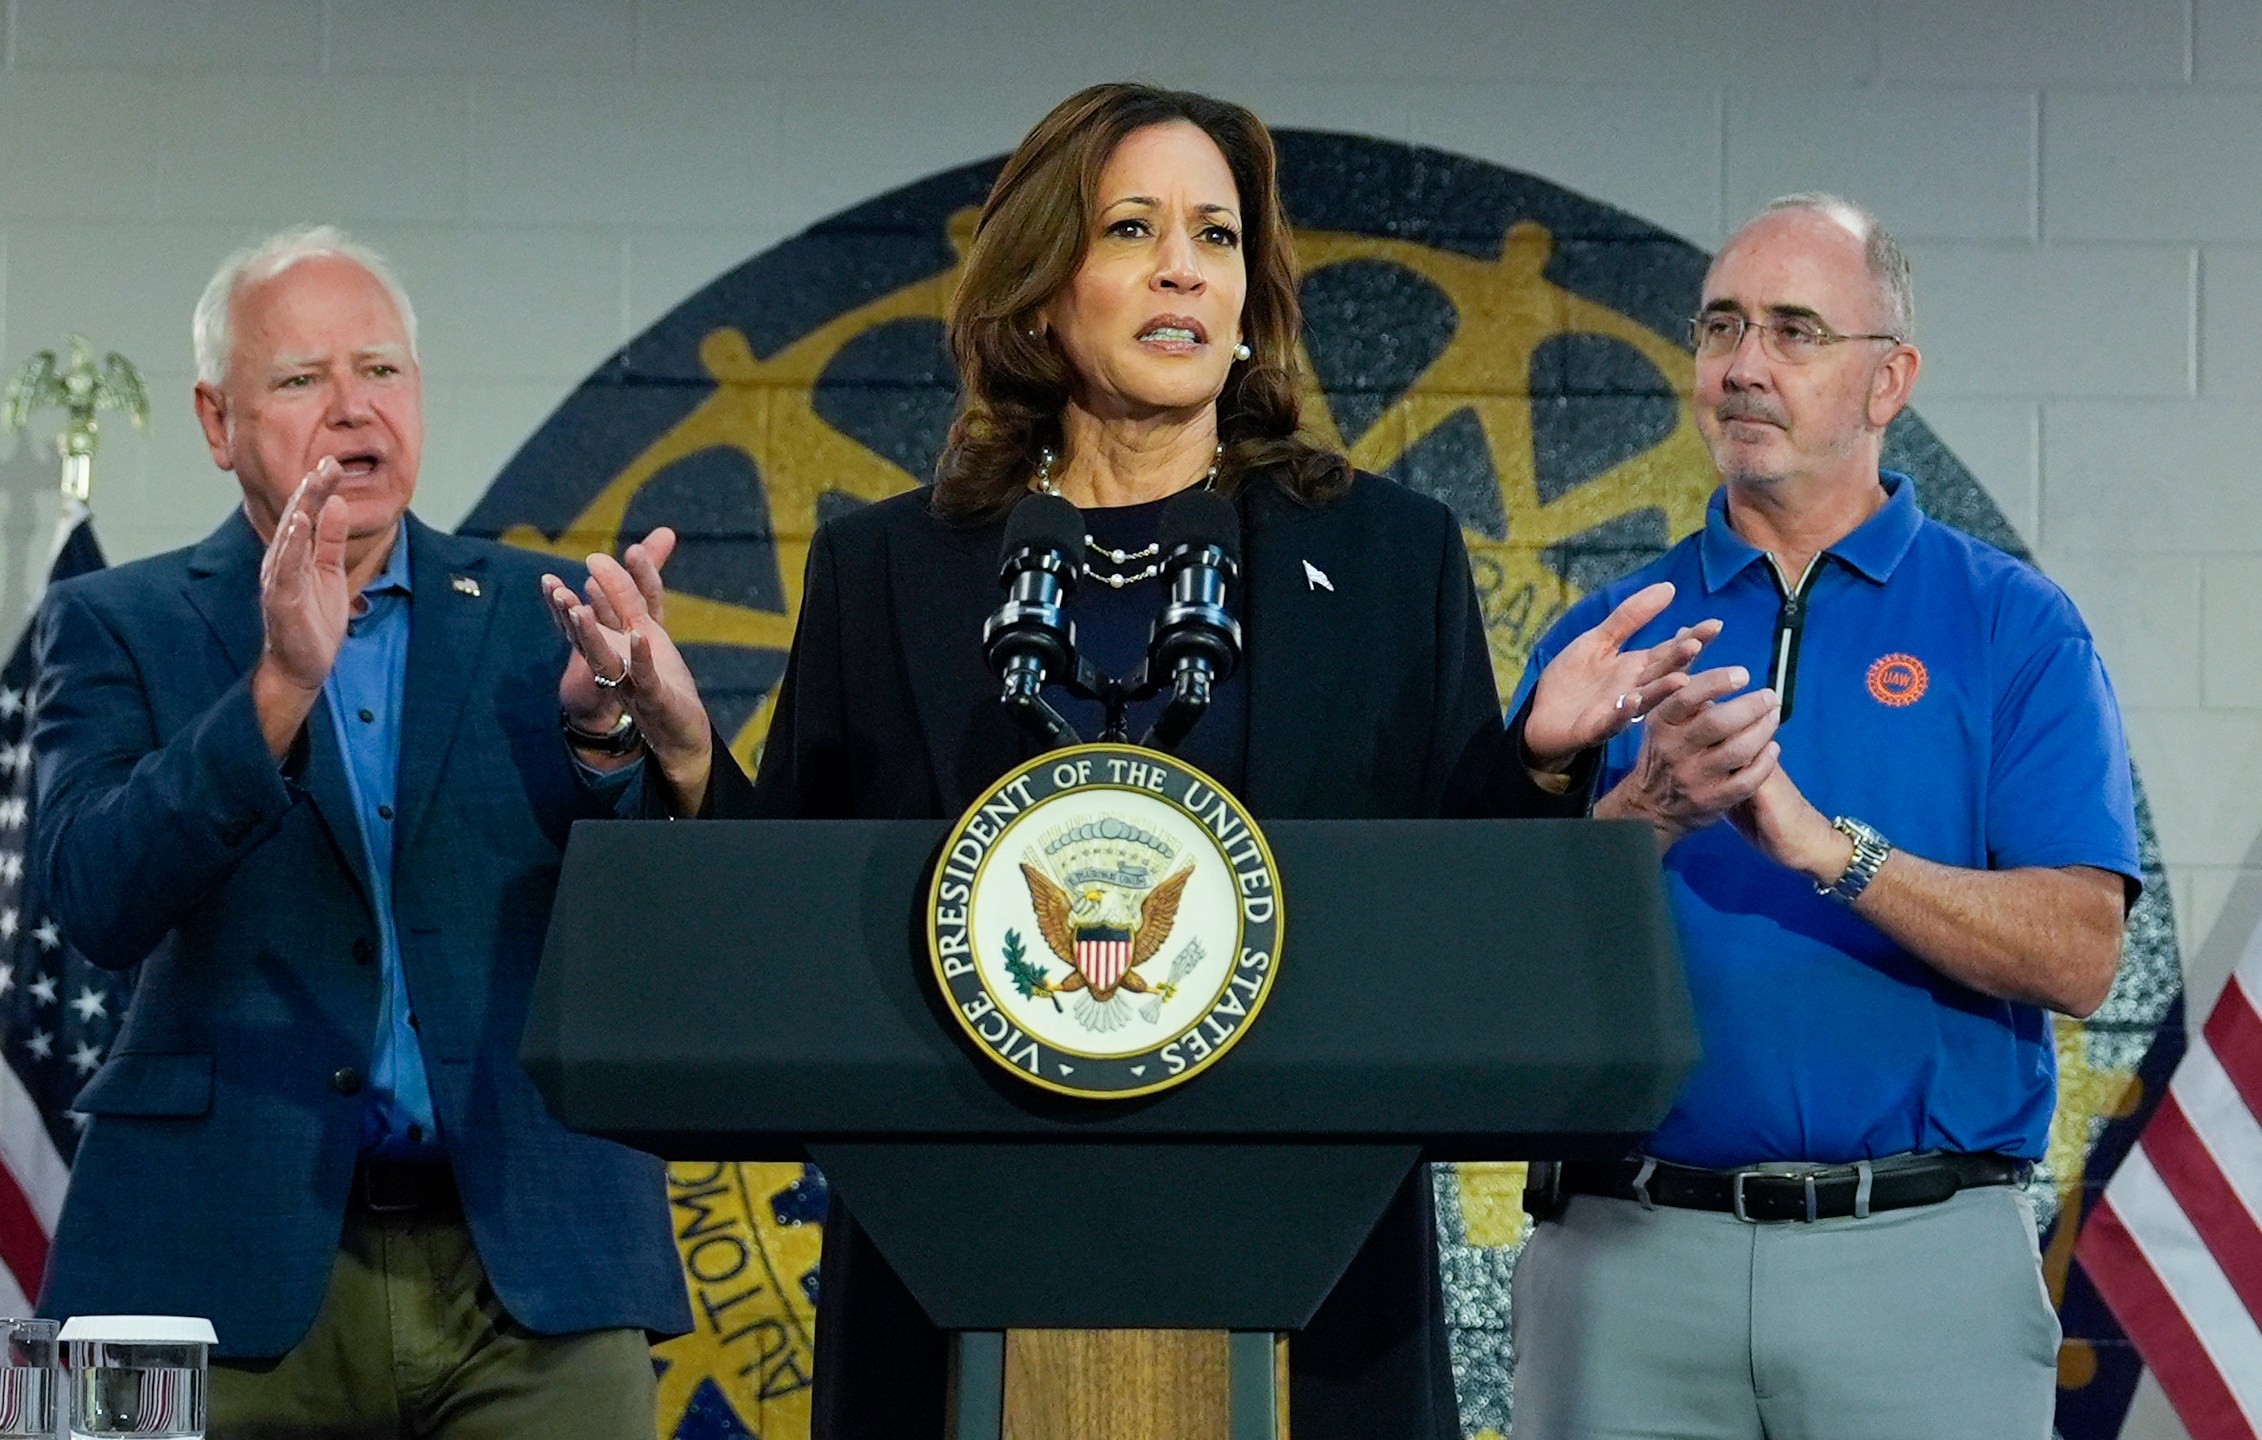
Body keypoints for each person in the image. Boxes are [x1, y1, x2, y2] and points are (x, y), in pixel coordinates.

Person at [553, 83, 1711, 1440]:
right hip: (955, 1276)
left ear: (1249, 296)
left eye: (1216, 238)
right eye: (1133, 229)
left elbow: (1449, 933)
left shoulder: (1388, 557)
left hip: (1307, 1276)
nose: (1182, 268)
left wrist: (1530, 764)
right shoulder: (890, 568)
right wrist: (684, 754)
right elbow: (802, 935)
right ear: (1044, 289)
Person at [29, 225, 689, 1438]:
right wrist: (280, 685)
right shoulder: (113, 622)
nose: (353, 408)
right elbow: (93, 899)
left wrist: (614, 745)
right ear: (217, 421)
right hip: (207, 1265)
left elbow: (672, 933)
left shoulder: (552, 618)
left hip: (534, 1274)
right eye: (300, 380)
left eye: (380, 371)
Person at [1507, 194, 2140, 1440]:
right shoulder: (1608, 637)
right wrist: (1641, 813)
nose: (1743, 366)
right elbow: (1498, 974)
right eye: (1721, 328)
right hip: (1627, 1267)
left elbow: (2079, 952)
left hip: (1920, 1272)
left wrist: (1825, 851)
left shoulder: (2011, 625)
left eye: (1795, 331)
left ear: (1888, 379)